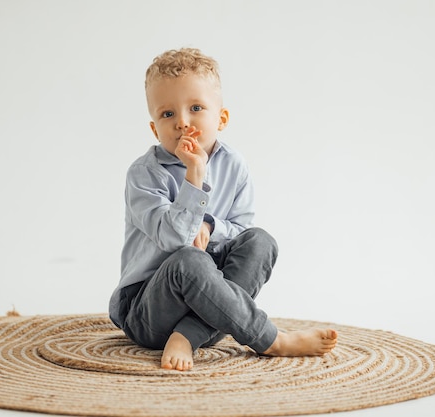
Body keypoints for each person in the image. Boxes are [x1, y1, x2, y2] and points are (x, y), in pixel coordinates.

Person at [108, 47, 337, 371]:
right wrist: (194, 177)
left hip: (208, 300)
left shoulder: (234, 164)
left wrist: (211, 227)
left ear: (222, 118)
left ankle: (189, 335)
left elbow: (242, 230)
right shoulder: (144, 173)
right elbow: (175, 243)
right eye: (167, 114)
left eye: (196, 108)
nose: (182, 123)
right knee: (190, 258)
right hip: (148, 308)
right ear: (154, 128)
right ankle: (271, 339)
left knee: (261, 241)